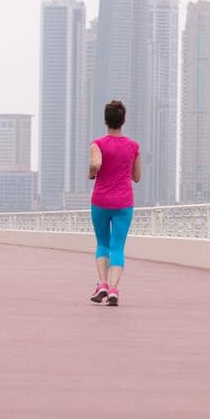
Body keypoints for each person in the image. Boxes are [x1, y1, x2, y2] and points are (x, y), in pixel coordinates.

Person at [88, 99, 141, 306]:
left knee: (102, 244)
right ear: (123, 120)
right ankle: (113, 290)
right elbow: (136, 177)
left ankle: (101, 284)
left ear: (105, 120)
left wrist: (92, 172)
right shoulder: (133, 147)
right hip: (123, 203)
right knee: (117, 247)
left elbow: (95, 165)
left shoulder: (97, 144)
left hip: (100, 202)